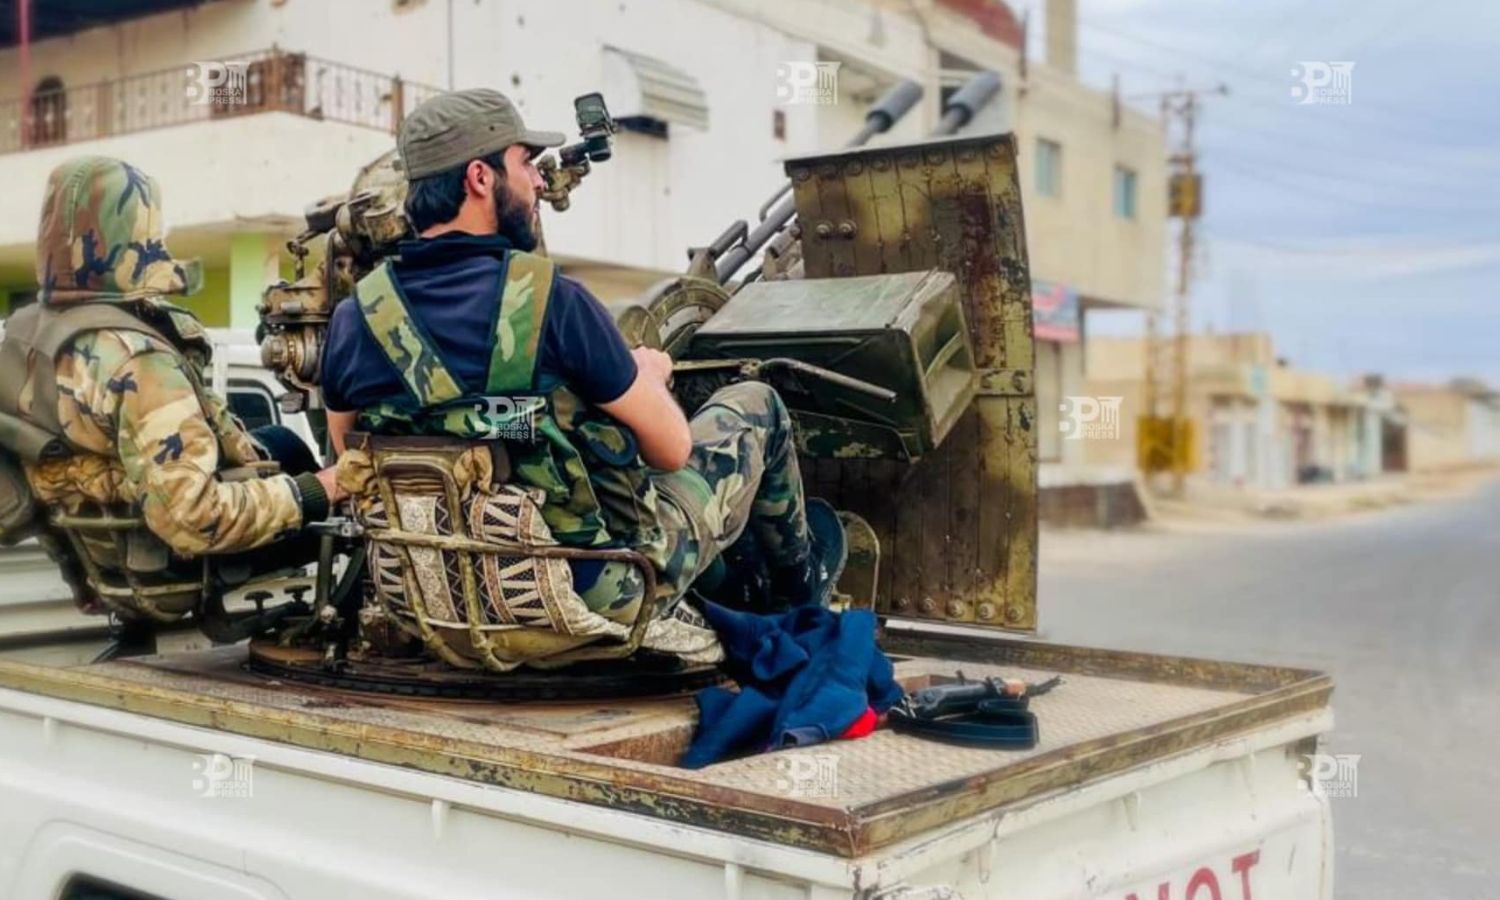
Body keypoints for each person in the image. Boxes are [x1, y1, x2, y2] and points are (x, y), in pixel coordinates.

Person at [320, 89, 843, 640]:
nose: (539, 181)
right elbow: (671, 451)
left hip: (439, 592)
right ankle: (799, 598)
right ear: (480, 178)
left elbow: (352, 453)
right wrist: (647, 377)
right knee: (757, 404)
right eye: (524, 164)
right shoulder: (557, 303)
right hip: (593, 589)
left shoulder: (355, 319)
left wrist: (485, 420)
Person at [0, 156, 342, 649]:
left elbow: (27, 481)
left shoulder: (26, 335)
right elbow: (194, 519)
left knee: (279, 444)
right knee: (339, 508)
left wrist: (80, 575)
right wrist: (322, 489)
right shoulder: (139, 363)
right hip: (172, 565)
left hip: (111, 560)